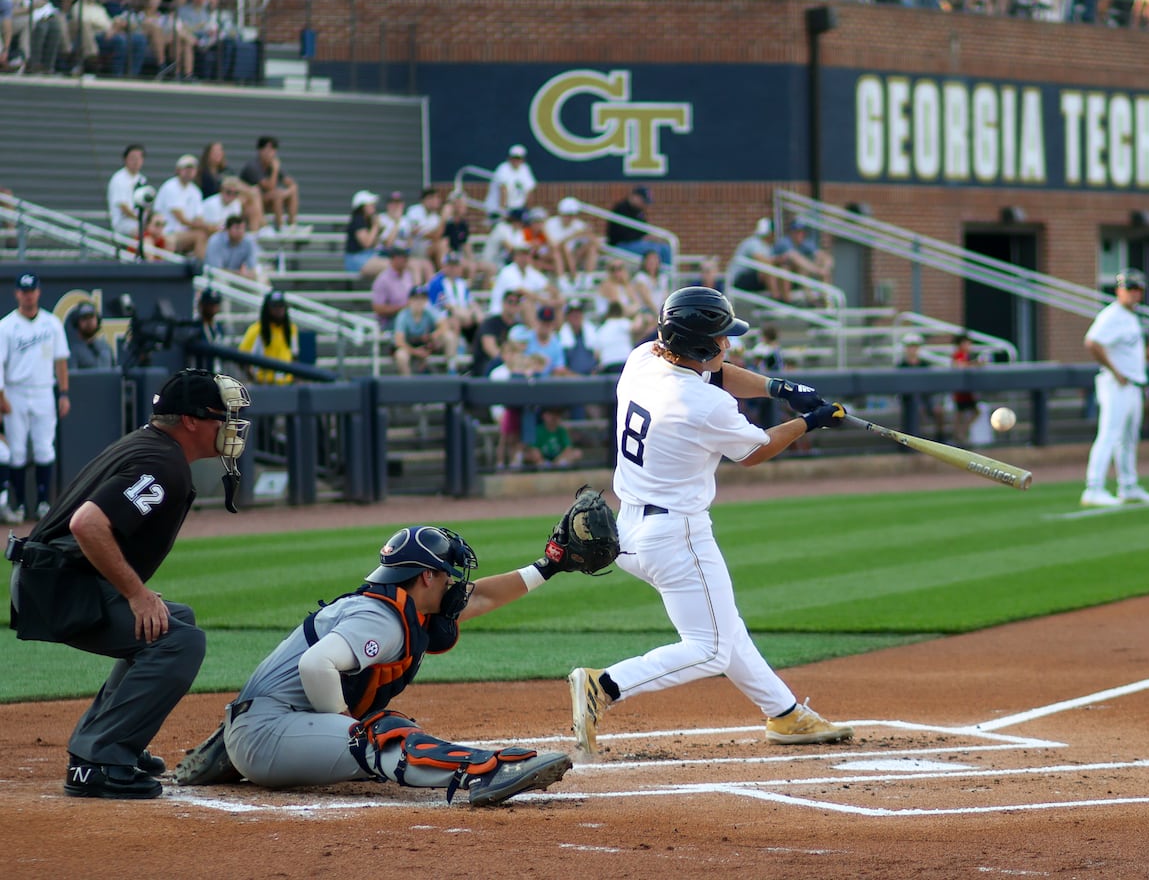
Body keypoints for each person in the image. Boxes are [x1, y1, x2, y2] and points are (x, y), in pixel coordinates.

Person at [567, 286, 854, 755]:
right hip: (676, 535)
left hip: (631, 530)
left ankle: (786, 715)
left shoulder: (643, 359)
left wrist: (778, 388)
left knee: (723, 627)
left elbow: (718, 375)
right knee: (710, 647)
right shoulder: (702, 406)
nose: (728, 345)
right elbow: (757, 449)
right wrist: (811, 421)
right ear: (700, 345)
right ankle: (606, 685)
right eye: (721, 338)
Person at [175, 523, 573, 805]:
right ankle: (482, 771)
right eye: (450, 576)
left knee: (379, 725)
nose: (456, 585)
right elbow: (316, 666)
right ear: (427, 577)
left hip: (267, 725)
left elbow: (482, 598)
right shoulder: (380, 619)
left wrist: (549, 566)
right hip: (266, 732)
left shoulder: (405, 610)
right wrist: (347, 727)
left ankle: (239, 747)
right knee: (381, 731)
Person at [5, 369, 250, 799]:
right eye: (221, 417)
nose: (228, 426)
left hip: (56, 576)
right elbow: (88, 524)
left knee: (176, 619)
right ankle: (99, 761)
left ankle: (104, 741)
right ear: (191, 421)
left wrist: (138, 597)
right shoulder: (163, 462)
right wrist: (136, 595)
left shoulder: (152, 445)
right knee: (179, 641)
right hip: (59, 586)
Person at [1081, 268, 1149, 507]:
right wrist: (1116, 371)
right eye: (1129, 289)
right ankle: (1093, 487)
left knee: (1128, 439)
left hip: (1133, 384)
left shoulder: (1132, 316)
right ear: (1119, 290)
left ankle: (1128, 486)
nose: (1134, 294)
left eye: (1137, 289)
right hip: (1116, 384)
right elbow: (1092, 342)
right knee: (1109, 435)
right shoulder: (1112, 315)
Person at [0, 273, 70, 522]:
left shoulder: (51, 323)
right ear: (17, 293)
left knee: (44, 447)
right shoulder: (6, 326)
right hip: (15, 390)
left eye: (31, 291)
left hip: (43, 390)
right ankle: (18, 504)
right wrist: (1, 396)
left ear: (38, 292)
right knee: (16, 450)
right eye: (23, 291)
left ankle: (42, 502)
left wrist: (63, 393)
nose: (28, 296)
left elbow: (61, 360)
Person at [392, 286, 457, 375]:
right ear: (410, 300)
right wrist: (416, 352)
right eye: (416, 299)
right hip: (410, 346)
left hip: (427, 344)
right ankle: (407, 383)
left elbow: (444, 325)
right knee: (401, 356)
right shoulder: (403, 316)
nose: (419, 302)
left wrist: (434, 335)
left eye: (422, 299)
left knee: (449, 336)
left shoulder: (429, 310)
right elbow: (399, 341)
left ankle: (451, 369)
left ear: (426, 300)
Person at [238, 291, 299, 385]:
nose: (279, 310)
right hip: (263, 384)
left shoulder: (291, 329)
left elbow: (294, 357)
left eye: (281, 305)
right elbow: (242, 359)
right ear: (267, 308)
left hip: (286, 384)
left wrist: (294, 380)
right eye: (275, 306)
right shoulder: (256, 330)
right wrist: (253, 379)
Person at [607, 186, 671, 263]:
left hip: (637, 243)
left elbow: (643, 231)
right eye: (643, 201)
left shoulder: (639, 212)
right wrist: (643, 238)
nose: (644, 205)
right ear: (635, 197)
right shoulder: (621, 208)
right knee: (654, 250)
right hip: (621, 245)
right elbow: (622, 235)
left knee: (665, 248)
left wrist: (652, 238)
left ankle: (665, 274)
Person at [66, 302, 115, 370]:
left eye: (91, 317)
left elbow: (114, 373)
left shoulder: (106, 347)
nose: (89, 322)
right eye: (84, 318)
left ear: (97, 320)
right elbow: (73, 378)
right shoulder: (73, 351)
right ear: (77, 322)